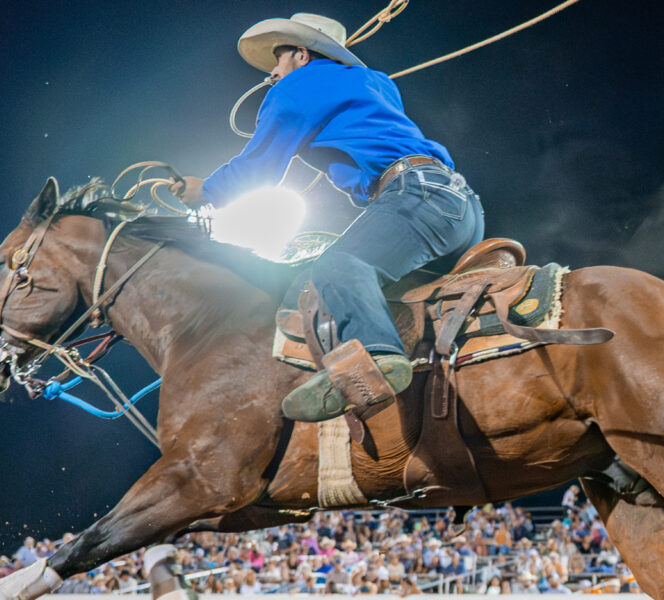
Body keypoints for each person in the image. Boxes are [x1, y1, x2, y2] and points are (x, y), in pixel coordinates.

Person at [172, 12, 485, 423]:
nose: (272, 75)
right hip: (458, 207)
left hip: (417, 198)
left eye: (278, 62)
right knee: (390, 292)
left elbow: (258, 167)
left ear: (301, 55)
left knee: (339, 266)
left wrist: (205, 191)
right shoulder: (376, 83)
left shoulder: (298, 86)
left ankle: (377, 359)